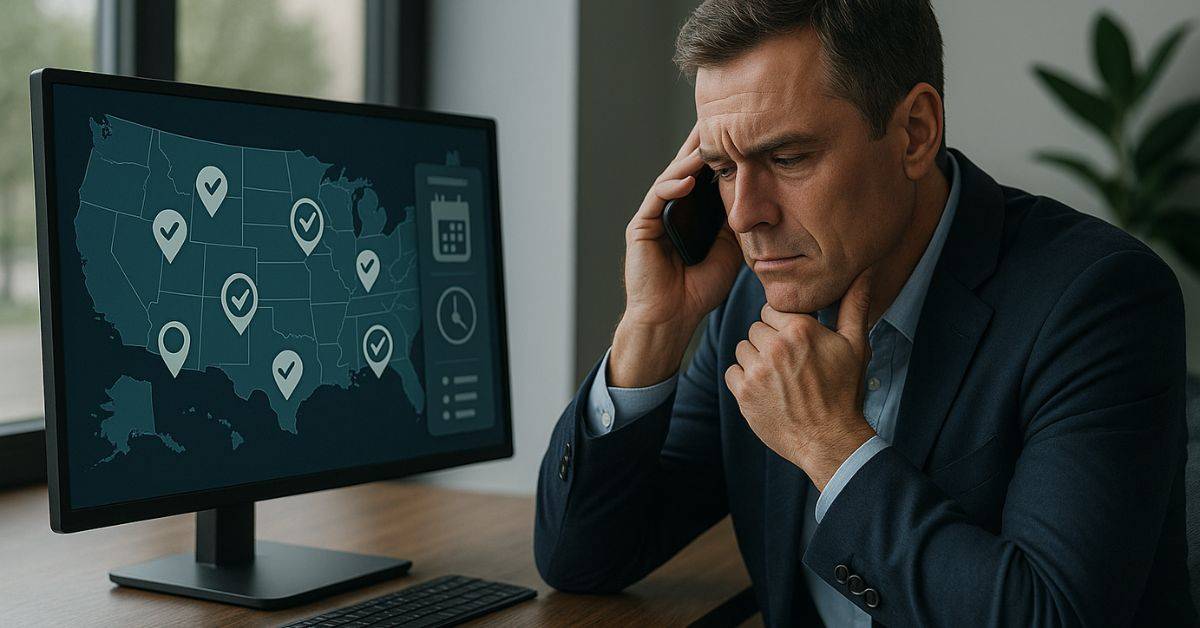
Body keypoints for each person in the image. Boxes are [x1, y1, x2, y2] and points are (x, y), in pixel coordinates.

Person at [533, 0, 1195, 626]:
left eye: (786, 157)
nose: (744, 215)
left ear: (914, 132)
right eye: (723, 168)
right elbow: (584, 559)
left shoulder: (1098, 299)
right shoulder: (751, 302)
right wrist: (652, 331)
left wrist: (831, 445)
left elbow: (1047, 614)